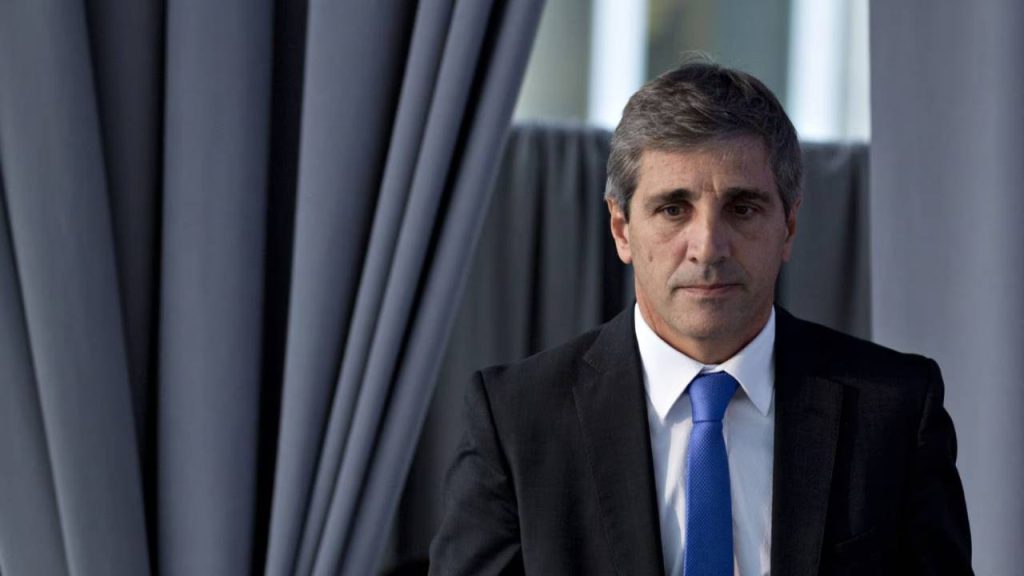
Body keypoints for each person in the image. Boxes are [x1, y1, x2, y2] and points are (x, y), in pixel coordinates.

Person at [429, 60, 972, 575]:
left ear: (788, 226)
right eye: (673, 209)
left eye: (743, 208)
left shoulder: (896, 410)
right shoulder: (517, 421)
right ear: (621, 229)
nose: (708, 247)